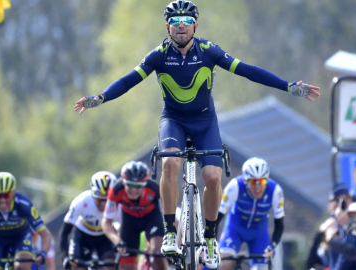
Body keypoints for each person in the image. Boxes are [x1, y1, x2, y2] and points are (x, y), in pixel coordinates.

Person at [73, 0, 320, 268]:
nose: (181, 27)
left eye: (187, 22)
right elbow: (128, 80)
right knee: (169, 162)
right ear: (167, 27)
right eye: (176, 22)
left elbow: (247, 71)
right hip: (174, 120)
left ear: (196, 26)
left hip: (205, 122)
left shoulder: (208, 50)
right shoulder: (158, 55)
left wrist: (287, 86)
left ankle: (211, 237)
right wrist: (101, 97)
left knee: (213, 177)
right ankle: (170, 231)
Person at [0, 172, 52, 270]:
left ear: (13, 192)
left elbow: (45, 234)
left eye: (7, 195)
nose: (2, 200)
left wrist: (43, 253)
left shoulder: (24, 204)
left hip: (20, 236)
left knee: (22, 266)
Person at [215, 157, 284, 270]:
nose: (257, 187)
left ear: (267, 179)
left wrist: (272, 246)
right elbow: (217, 217)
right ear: (245, 180)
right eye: (253, 182)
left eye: (261, 181)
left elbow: (280, 224)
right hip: (234, 229)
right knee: (226, 263)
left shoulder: (276, 191)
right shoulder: (235, 186)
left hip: (259, 233)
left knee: (262, 268)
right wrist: (212, 241)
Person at [101, 161, 167, 270]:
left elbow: (167, 215)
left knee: (158, 252)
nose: (133, 190)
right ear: (123, 182)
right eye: (130, 185)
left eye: (138, 186)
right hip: (129, 223)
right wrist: (117, 241)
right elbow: (106, 223)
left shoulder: (154, 189)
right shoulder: (116, 191)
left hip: (152, 219)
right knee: (126, 266)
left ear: (144, 183)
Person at [59, 171, 118, 270]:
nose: (103, 204)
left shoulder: (118, 203)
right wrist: (65, 257)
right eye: (99, 199)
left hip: (104, 238)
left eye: (106, 199)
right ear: (93, 193)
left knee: (110, 265)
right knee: (77, 266)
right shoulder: (82, 201)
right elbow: (64, 233)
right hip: (83, 237)